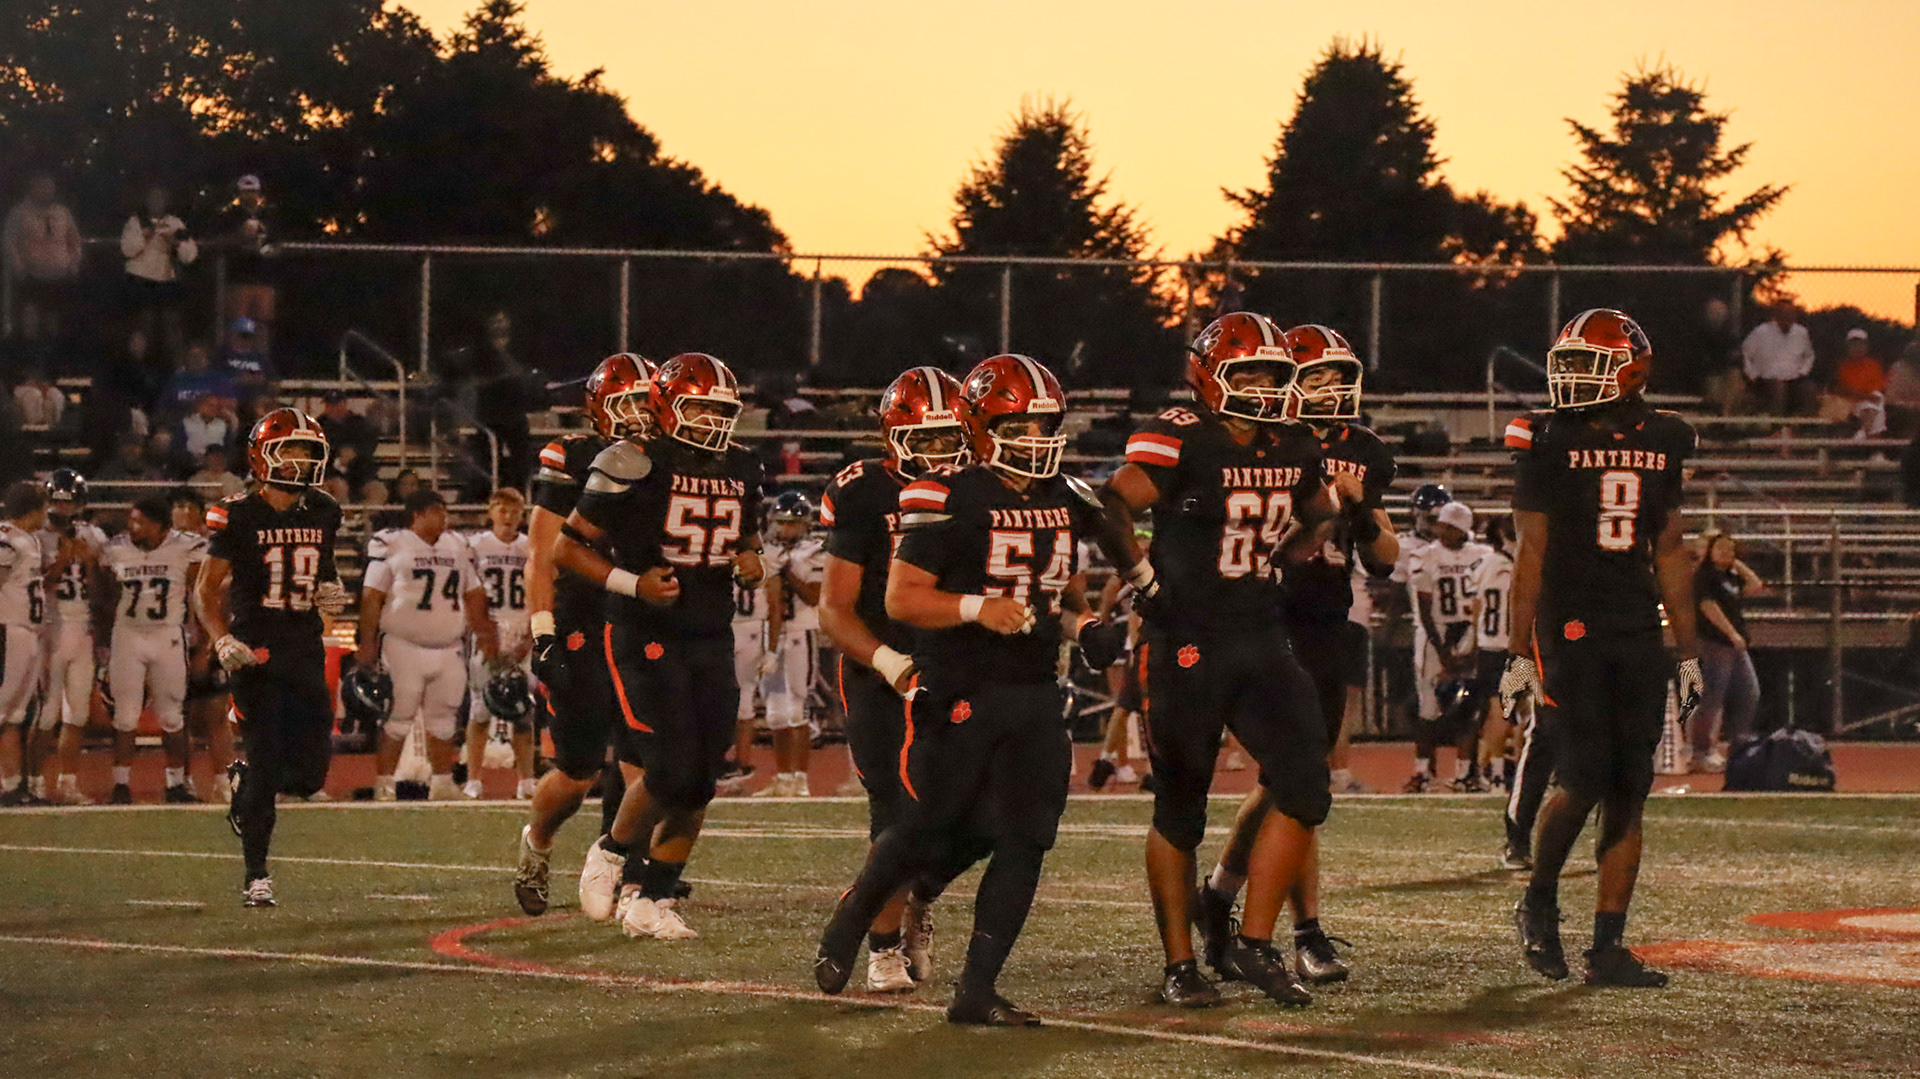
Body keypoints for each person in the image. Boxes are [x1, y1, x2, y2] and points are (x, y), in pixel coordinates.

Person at [815, 353, 1115, 1026]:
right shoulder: (939, 495)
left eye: (1045, 427)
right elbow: (898, 600)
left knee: (1025, 836)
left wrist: (1087, 625)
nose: (1036, 441)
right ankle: (856, 922)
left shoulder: (1065, 496)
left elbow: (1057, 596)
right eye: (1020, 428)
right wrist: (977, 609)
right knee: (920, 820)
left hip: (1034, 684)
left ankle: (977, 988)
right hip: (954, 678)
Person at [1097, 313, 1338, 1009]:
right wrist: (1142, 579)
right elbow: (1112, 503)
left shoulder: (1293, 443)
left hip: (1259, 630)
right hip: (1185, 638)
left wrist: (1287, 557)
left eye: (1273, 374)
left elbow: (1322, 513)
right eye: (1249, 373)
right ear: (1209, 377)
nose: (1263, 387)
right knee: (1181, 808)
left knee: (1305, 784)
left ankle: (1252, 941)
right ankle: (1180, 965)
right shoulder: (1182, 434)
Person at [1500, 308, 1703, 987]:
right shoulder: (1545, 436)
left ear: (1632, 371)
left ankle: (1608, 944)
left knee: (1631, 786)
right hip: (1570, 623)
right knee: (1584, 775)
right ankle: (1539, 899)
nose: (1572, 379)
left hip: (1635, 622)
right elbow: (1531, 551)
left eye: (1587, 365)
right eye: (1568, 365)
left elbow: (1669, 547)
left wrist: (1688, 648)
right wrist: (1518, 651)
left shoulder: (1667, 436)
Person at [1201, 323, 1399, 988]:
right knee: (1298, 779)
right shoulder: (1269, 444)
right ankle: (1305, 929)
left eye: (1340, 377)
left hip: (1325, 622)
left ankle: (1220, 893)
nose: (1332, 389)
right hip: (1266, 618)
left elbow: (1386, 555)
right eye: (1317, 377)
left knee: (1285, 783)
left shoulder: (1362, 451)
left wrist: (1359, 510)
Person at [560, 352, 764, 942]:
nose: (712, 420)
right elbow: (567, 549)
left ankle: (654, 897)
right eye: (700, 408)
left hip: (711, 631)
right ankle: (611, 850)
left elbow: (744, 535)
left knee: (703, 776)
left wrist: (752, 557)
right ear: (666, 406)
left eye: (720, 410)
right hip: (644, 631)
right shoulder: (632, 460)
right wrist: (634, 583)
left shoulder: (742, 465)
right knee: (671, 767)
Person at [816, 365, 967, 991]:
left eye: (949, 437)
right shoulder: (864, 492)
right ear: (892, 438)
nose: (939, 452)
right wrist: (887, 661)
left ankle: (919, 898)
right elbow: (834, 607)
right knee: (896, 814)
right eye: (925, 439)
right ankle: (882, 946)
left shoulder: (981, 488)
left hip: (958, 665)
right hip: (880, 669)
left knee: (977, 816)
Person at [510, 354, 646, 917]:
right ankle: (538, 840)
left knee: (644, 755)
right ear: (598, 409)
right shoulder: (570, 455)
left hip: (637, 615)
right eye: (626, 403)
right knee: (579, 768)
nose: (637, 414)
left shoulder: (666, 459)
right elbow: (543, 553)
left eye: (645, 402)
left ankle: (631, 875)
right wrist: (542, 631)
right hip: (581, 617)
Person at [195, 408, 347, 906]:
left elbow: (323, 571)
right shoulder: (238, 513)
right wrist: (221, 639)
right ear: (263, 457)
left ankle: (246, 784)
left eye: (308, 451)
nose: (300, 460)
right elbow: (205, 590)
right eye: (290, 450)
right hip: (255, 651)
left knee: (311, 775)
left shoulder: (323, 509)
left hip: (304, 647)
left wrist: (331, 590)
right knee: (265, 759)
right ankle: (256, 875)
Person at [357, 488, 498, 801]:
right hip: (403, 644)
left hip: (448, 645)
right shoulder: (392, 543)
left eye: (443, 511)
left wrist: (486, 635)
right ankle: (385, 783)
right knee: (398, 716)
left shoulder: (457, 545)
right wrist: (367, 642)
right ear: (417, 515)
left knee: (444, 718)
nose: (443, 517)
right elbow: (372, 596)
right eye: (436, 511)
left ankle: (442, 781)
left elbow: (474, 594)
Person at [101, 496, 207, 804]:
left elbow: (203, 588)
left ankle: (176, 783)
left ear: (160, 525)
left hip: (167, 635)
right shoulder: (116, 548)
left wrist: (203, 636)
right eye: (131, 520)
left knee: (172, 715)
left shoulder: (186, 546)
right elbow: (103, 592)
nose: (132, 527)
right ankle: (121, 783)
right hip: (128, 635)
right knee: (125, 716)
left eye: (140, 522)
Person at [29, 471, 107, 805]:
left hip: (82, 628)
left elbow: (102, 591)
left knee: (77, 713)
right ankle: (34, 782)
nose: (63, 508)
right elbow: (33, 587)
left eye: (69, 501)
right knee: (45, 714)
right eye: (58, 501)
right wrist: (62, 561)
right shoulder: (35, 537)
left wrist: (90, 564)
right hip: (49, 627)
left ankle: (68, 782)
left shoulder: (93, 536)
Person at [1407, 501, 1493, 792]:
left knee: (1470, 706)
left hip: (1470, 629)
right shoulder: (1425, 556)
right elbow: (1424, 606)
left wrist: (1475, 645)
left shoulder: (1482, 555)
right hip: (1436, 632)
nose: (1441, 530)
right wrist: (1443, 650)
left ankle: (1465, 772)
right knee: (1428, 707)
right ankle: (1422, 772)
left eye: (1448, 526)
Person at [462, 488, 535, 799]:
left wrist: (530, 637)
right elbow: (468, 593)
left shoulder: (530, 546)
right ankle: (473, 780)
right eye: (501, 510)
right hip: (489, 625)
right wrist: (483, 633)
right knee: (480, 709)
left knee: (523, 709)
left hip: (521, 625)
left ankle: (526, 781)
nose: (507, 517)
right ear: (490, 512)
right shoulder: (475, 546)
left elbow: (541, 591)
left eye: (514, 511)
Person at [756, 491, 825, 797]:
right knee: (774, 713)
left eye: (792, 523)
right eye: (781, 523)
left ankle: (801, 779)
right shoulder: (765, 551)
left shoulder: (815, 551)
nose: (785, 529)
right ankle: (783, 778)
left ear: (805, 525)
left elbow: (814, 596)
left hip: (800, 633)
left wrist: (787, 573)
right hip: (769, 635)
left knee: (798, 708)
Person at [172, 488, 235, 801]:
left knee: (215, 713)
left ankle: (225, 781)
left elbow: (220, 594)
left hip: (202, 636)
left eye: (189, 506)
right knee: (176, 715)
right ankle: (180, 780)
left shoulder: (212, 546)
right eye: (178, 505)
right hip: (170, 638)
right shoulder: (161, 545)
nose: (183, 512)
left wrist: (211, 640)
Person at [0, 483, 58, 804]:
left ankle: (11, 786)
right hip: (9, 628)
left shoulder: (26, 539)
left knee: (15, 714)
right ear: (32, 509)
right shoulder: (8, 537)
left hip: (27, 631)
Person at [1691, 532, 1765, 772]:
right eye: (1720, 548)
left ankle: (1739, 747)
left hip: (1735, 645)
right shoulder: (1704, 576)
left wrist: (1737, 564)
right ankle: (1701, 752)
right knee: (1713, 697)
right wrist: (1730, 632)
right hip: (1716, 642)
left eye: (1730, 549)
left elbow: (1755, 586)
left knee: (1749, 693)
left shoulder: (1730, 576)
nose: (1726, 553)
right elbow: (1708, 606)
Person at [120, 183, 198, 362]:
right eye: (153, 198)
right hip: (139, 281)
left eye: (160, 199)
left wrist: (175, 242)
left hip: (165, 280)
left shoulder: (175, 223)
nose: (156, 202)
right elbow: (127, 250)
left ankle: (178, 368)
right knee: (142, 327)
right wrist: (146, 236)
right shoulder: (136, 222)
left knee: (172, 327)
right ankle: (135, 366)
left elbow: (189, 256)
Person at [3, 174, 83, 345]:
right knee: (31, 324)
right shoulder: (19, 213)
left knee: (56, 322)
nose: (46, 191)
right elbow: (9, 242)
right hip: (31, 278)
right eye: (41, 187)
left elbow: (74, 240)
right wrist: (18, 267)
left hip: (60, 277)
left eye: (49, 187)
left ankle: (56, 352)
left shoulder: (62, 212)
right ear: (32, 188)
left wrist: (73, 263)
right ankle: (31, 355)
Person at [215, 175, 278, 355]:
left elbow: (277, 242)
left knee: (261, 325)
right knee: (240, 324)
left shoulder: (268, 216)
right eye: (246, 192)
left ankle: (259, 363)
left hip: (263, 278)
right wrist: (240, 236)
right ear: (240, 193)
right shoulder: (230, 216)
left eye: (252, 192)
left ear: (258, 193)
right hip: (239, 278)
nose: (249, 196)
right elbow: (220, 241)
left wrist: (267, 248)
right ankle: (238, 361)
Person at [1741, 302, 1816, 417]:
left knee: (1809, 389)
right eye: (1784, 316)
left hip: (1794, 379)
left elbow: (1809, 355)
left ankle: (1803, 424)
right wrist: (1753, 376)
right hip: (1767, 380)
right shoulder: (1761, 332)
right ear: (1777, 316)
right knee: (1778, 389)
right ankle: (1776, 422)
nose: (1787, 320)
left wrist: (1803, 372)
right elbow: (1745, 354)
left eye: (1790, 316)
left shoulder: (1801, 332)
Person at [319, 391, 378, 493]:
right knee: (338, 488)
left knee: (377, 491)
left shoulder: (360, 423)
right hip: (330, 474)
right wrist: (337, 454)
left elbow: (370, 443)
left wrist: (355, 452)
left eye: (337, 404)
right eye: (329, 405)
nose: (333, 408)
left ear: (344, 404)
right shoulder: (318, 426)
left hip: (360, 473)